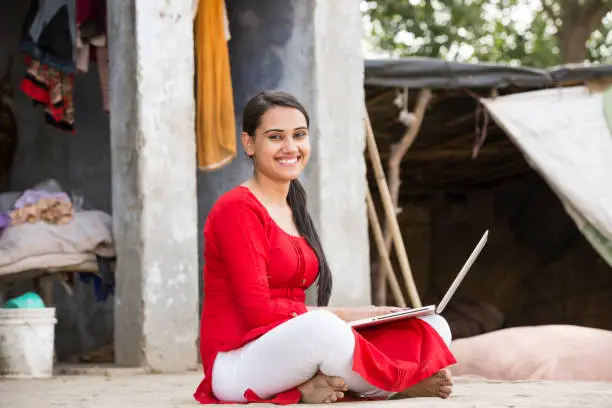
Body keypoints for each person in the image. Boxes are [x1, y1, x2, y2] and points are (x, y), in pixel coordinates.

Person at [193, 90, 456, 405]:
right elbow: (259, 312)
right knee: (325, 330)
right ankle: (398, 384)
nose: (290, 147)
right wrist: (352, 314)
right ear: (249, 143)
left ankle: (312, 386)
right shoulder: (236, 208)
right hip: (236, 362)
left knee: (432, 325)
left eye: (299, 135)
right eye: (275, 137)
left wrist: (372, 318)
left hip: (288, 347)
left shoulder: (294, 206)